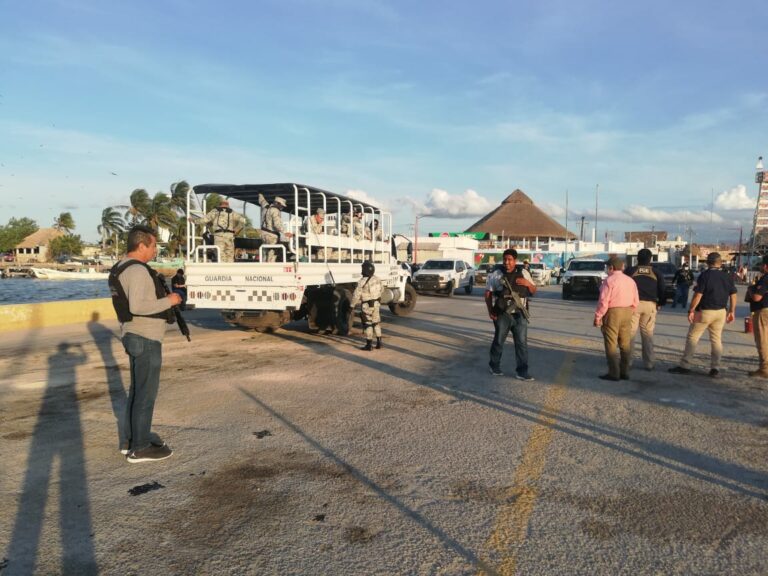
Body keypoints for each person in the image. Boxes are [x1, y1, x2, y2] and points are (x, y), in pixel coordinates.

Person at [108, 225, 181, 463]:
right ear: (141, 246)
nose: (155, 250)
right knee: (146, 394)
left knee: (137, 391)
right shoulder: (137, 270)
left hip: (134, 334)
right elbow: (138, 306)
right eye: (153, 245)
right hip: (145, 337)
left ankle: (131, 439)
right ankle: (140, 448)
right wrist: (170, 300)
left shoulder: (121, 267)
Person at [668, 252, 737, 378]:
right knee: (716, 339)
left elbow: (698, 295)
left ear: (707, 262)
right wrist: (732, 311)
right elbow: (733, 295)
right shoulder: (727, 276)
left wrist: (691, 310)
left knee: (693, 337)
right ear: (720, 262)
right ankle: (715, 368)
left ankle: (685, 365)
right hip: (721, 312)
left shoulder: (705, 275)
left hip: (705, 311)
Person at [485, 248, 537, 380]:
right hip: (502, 314)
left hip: (520, 314)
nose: (507, 262)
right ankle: (494, 365)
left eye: (510, 260)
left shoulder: (524, 272)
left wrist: (527, 283)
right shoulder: (497, 274)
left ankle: (522, 371)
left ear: (515, 261)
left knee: (521, 344)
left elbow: (533, 290)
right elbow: (488, 293)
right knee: (498, 341)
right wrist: (490, 311)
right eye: (505, 259)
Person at [594, 257, 639, 381]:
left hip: (613, 313)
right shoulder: (630, 281)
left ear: (611, 268)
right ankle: (624, 372)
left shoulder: (609, 281)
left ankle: (614, 373)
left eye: (607, 267)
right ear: (622, 267)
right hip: (628, 311)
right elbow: (636, 300)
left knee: (611, 343)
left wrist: (598, 317)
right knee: (625, 344)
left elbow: (603, 302)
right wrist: (631, 311)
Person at [625, 249, 665, 371]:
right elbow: (662, 289)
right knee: (647, 334)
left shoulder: (630, 271)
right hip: (650, 305)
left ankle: (627, 362)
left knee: (630, 334)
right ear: (650, 259)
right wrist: (660, 303)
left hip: (633, 305)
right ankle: (649, 363)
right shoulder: (656, 272)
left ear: (637, 258)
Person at [191, 199, 245, 263]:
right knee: (230, 256)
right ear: (228, 205)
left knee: (220, 255)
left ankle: (222, 268)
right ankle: (230, 268)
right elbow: (243, 221)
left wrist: (194, 221)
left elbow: (205, 220)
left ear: (220, 204)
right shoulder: (232, 212)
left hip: (219, 236)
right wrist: (237, 229)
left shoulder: (215, 211)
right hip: (230, 236)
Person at [350, 261, 383, 350]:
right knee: (376, 322)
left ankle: (369, 345)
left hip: (367, 305)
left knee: (368, 323)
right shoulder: (377, 279)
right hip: (376, 304)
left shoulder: (362, 282)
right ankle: (379, 342)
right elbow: (382, 289)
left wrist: (352, 305)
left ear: (365, 270)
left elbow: (356, 295)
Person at [746, 255, 768, 378]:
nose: (760, 267)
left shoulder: (765, 279)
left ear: (765, 266)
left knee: (762, 340)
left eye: (761, 265)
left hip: (763, 311)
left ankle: (764, 369)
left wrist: (750, 289)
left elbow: (756, 297)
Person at [258, 194, 294, 262]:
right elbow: (277, 225)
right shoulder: (275, 210)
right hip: (271, 236)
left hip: (263, 234)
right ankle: (270, 267)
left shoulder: (266, 207)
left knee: (265, 253)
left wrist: (260, 194)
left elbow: (262, 201)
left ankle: (263, 267)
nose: (282, 207)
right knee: (272, 254)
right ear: (277, 203)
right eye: (281, 206)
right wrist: (285, 232)